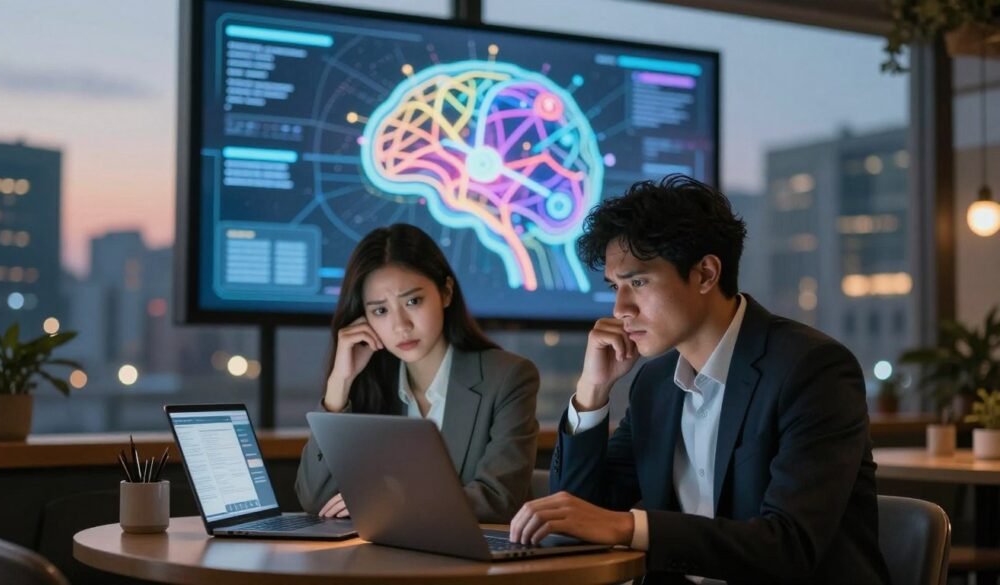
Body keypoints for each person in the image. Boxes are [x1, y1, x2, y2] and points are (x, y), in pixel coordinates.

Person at [508, 175, 889, 584]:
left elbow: (788, 546)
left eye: (637, 282)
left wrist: (628, 527)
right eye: (615, 287)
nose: (620, 308)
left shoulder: (812, 370)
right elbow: (575, 516)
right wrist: (592, 391)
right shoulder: (654, 383)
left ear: (706, 274)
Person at [296, 223, 540, 524]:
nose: (401, 326)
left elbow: (498, 499)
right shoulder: (371, 384)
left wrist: (388, 502)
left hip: (476, 565)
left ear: (446, 292)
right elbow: (315, 498)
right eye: (380, 311)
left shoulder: (508, 377)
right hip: (384, 564)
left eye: (413, 301)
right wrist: (339, 385)